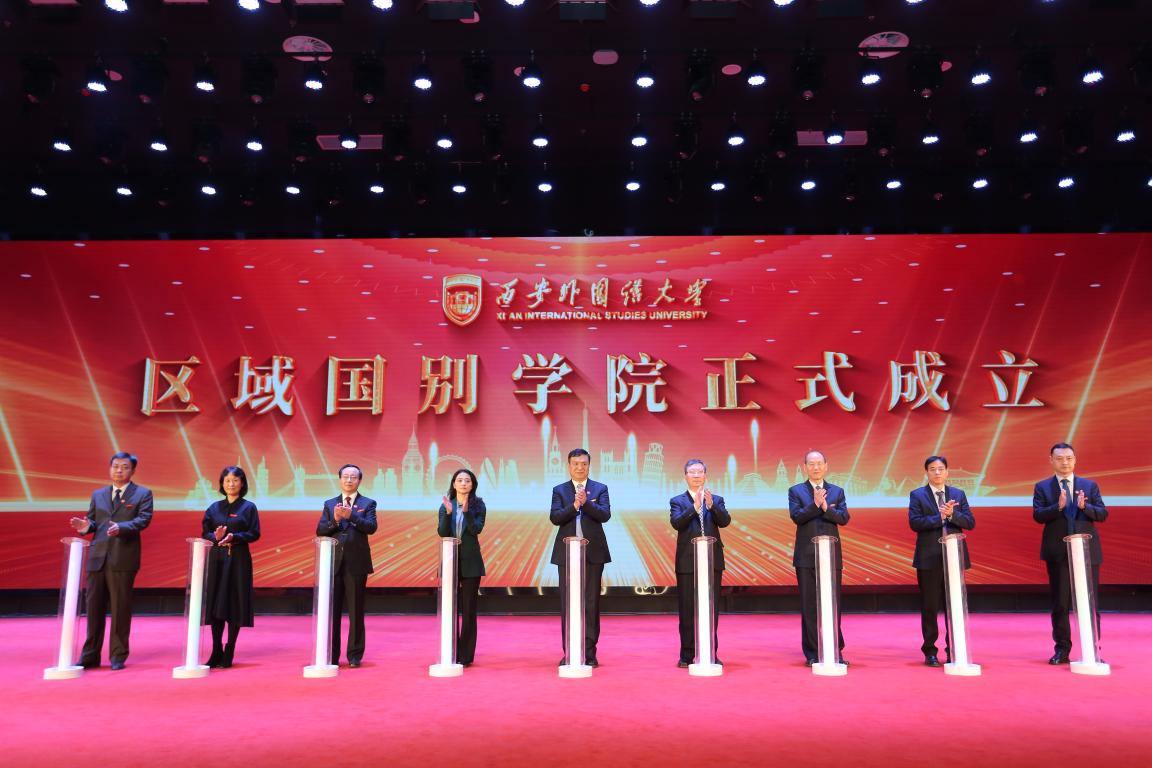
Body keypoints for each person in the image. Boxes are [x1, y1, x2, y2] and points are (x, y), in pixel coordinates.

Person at [69, 451, 154, 670]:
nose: (119, 470)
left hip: (123, 557)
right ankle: (90, 655)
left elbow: (144, 519)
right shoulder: (98, 494)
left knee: (120, 608)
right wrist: (86, 527)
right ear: (110, 468)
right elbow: (93, 521)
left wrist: (122, 528)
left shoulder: (143, 493)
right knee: (93, 609)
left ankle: (118, 655)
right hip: (97, 557)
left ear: (133, 470)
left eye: (124, 467)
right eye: (115, 466)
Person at [1032, 442, 1108, 664]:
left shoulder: (1089, 485)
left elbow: (1103, 514)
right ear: (1051, 460)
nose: (1065, 462)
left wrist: (1085, 507)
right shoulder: (1042, 487)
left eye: (1069, 458)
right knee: (1061, 604)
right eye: (1059, 458)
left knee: (1091, 604)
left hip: (1087, 552)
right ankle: (1062, 649)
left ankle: (1093, 650)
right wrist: (1057, 506)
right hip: (1058, 552)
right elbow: (1038, 515)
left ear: (1075, 460)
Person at [908, 455, 975, 667]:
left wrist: (952, 515)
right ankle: (930, 651)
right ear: (927, 472)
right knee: (930, 606)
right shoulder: (917, 495)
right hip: (928, 558)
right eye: (932, 469)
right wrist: (940, 517)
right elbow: (915, 523)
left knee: (954, 605)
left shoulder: (958, 494)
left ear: (947, 472)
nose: (937, 472)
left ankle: (954, 648)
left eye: (940, 469)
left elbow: (970, 522)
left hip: (954, 556)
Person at [549, 448, 611, 667]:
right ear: (569, 466)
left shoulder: (600, 488)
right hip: (566, 554)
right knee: (568, 603)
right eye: (575, 464)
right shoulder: (559, 490)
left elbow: (605, 515)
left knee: (591, 603)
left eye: (584, 464)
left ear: (589, 465)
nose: (579, 467)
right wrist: (575, 505)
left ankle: (589, 653)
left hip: (593, 553)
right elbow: (555, 518)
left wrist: (587, 503)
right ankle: (570, 652)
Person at [788, 450, 850, 666]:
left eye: (819, 463)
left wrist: (825, 508)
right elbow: (797, 517)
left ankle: (835, 650)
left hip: (831, 555)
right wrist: (815, 505)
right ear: (805, 467)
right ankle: (813, 652)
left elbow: (843, 518)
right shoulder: (796, 491)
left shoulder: (837, 491)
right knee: (810, 605)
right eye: (811, 464)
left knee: (833, 604)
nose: (815, 467)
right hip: (806, 556)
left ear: (826, 465)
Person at [670, 459, 731, 668]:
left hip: (712, 560)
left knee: (711, 609)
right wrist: (694, 507)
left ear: (705, 475)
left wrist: (711, 506)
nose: (696, 475)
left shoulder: (716, 499)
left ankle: (710, 652)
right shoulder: (677, 501)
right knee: (687, 609)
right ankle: (687, 654)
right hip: (687, 561)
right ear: (685, 476)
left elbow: (725, 521)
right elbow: (677, 523)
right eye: (692, 472)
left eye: (699, 472)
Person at [316, 464, 378, 668]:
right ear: (340, 479)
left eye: (353, 477)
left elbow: (371, 527)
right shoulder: (329, 504)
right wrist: (335, 520)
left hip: (356, 563)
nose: (349, 480)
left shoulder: (368, 503)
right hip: (332, 563)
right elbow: (321, 530)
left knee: (356, 611)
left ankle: (354, 655)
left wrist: (352, 516)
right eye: (346, 476)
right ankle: (331, 655)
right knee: (331, 612)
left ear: (359, 480)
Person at [201, 465, 261, 669]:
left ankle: (230, 649)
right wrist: (214, 536)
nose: (231, 484)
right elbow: (205, 532)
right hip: (217, 559)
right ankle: (216, 649)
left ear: (242, 483)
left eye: (235, 480)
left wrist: (235, 537)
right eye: (227, 480)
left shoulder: (249, 507)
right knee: (216, 604)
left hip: (238, 560)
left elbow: (254, 533)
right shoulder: (214, 508)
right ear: (222, 484)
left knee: (234, 602)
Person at [436, 468, 487, 667]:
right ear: (454, 484)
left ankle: (465, 655)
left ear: (472, 485)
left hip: (471, 562)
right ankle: (450, 651)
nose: (463, 483)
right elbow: (442, 532)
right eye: (460, 480)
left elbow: (476, 529)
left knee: (468, 609)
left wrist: (466, 513)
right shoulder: (446, 505)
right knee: (450, 607)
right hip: (450, 561)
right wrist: (449, 513)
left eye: (467, 480)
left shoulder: (479, 505)